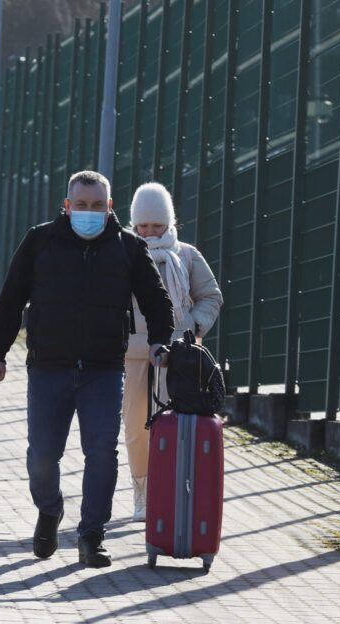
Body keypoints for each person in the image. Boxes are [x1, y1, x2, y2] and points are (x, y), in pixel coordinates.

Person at [0, 170, 174, 568]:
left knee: (101, 451)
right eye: (81, 206)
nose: (89, 212)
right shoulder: (40, 241)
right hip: (49, 367)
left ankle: (91, 535)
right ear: (67, 207)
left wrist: (160, 341)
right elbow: (11, 299)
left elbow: (157, 300)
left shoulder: (128, 248)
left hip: (103, 370)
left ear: (110, 207)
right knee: (42, 457)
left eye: (97, 206)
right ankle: (50, 510)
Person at [122, 182, 223, 521]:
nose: (150, 232)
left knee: (178, 424)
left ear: (169, 222)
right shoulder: (122, 252)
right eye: (143, 226)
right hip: (134, 355)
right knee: (137, 427)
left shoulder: (187, 256)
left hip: (178, 355)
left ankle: (177, 489)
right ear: (134, 223)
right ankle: (142, 491)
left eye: (157, 225)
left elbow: (210, 296)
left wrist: (192, 329)